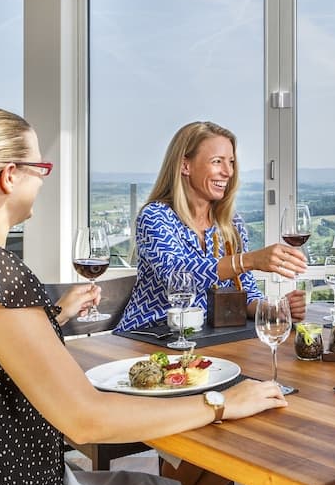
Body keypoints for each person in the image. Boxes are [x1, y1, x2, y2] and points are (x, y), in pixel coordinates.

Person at [0, 105, 287, 485]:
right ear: (9, 176)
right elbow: (85, 420)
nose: (43, 180)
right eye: (41, 168)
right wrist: (220, 404)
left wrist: (55, 315)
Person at [118, 120, 307, 332]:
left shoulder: (231, 224)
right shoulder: (156, 216)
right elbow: (177, 275)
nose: (228, 172)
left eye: (231, 162)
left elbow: (245, 294)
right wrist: (249, 260)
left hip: (204, 339)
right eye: (217, 161)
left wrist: (274, 309)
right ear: (185, 165)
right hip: (149, 335)